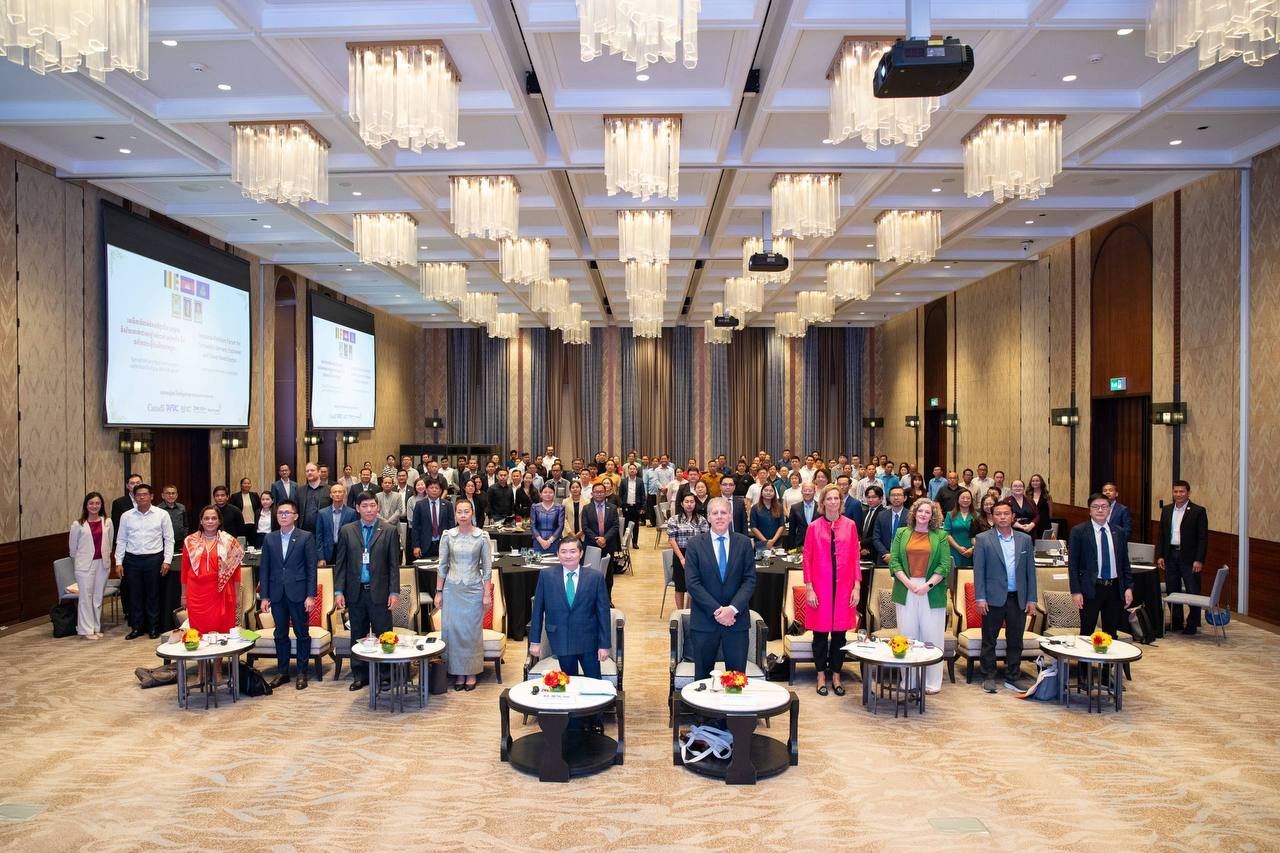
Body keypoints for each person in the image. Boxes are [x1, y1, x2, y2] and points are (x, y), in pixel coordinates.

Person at [683, 498, 758, 680]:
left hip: (736, 621)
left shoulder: (744, 543)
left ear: (730, 516)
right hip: (705, 622)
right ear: (708, 517)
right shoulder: (695, 544)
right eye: (714, 513)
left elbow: (749, 581)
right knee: (703, 680)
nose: (719, 517)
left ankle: (733, 701)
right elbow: (692, 583)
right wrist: (718, 611)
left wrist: (732, 609)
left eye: (723, 512)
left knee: (735, 679)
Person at [334, 492, 401, 691]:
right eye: (365, 506)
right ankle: (360, 675)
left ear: (377, 507)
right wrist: (338, 591)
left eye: (372, 505)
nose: (369, 510)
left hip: (380, 592)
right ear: (357, 508)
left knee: (384, 635)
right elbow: (341, 564)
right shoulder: (347, 531)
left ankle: (386, 675)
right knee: (358, 634)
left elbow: (394, 565)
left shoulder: (389, 530)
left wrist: (394, 592)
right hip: (356, 593)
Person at [973, 500, 1037, 693]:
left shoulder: (1024, 539)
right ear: (992, 517)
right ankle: (989, 676)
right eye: (998, 514)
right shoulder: (983, 539)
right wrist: (980, 598)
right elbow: (979, 571)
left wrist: (1031, 598)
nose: (1002, 517)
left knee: (1016, 639)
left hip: (1018, 597)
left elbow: (1030, 572)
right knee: (989, 639)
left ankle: (1013, 676)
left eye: (1006, 513)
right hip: (992, 597)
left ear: (1013, 517)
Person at [803, 485, 862, 696]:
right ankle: (820, 675)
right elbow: (807, 559)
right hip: (820, 587)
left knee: (839, 636)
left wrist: (857, 586)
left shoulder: (850, 525)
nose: (833, 502)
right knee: (819, 635)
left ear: (841, 502)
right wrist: (809, 588)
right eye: (829, 498)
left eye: (837, 498)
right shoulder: (813, 527)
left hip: (844, 587)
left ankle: (836, 675)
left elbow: (855, 557)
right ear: (823, 502)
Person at [528, 538, 611, 684]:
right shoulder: (546, 576)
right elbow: (538, 611)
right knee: (568, 684)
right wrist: (535, 641)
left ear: (581, 553)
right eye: (563, 552)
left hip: (588, 641)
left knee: (594, 684)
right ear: (557, 554)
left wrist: (604, 645)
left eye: (573, 551)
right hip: (561, 639)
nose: (568, 556)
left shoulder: (595, 577)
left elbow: (603, 613)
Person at [889, 498, 951, 694]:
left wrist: (927, 585)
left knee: (931, 637)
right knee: (907, 635)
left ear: (932, 516)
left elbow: (944, 565)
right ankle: (908, 681)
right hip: (905, 588)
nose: (923, 514)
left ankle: (932, 682)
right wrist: (908, 583)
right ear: (914, 513)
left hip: (932, 589)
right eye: (920, 511)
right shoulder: (901, 533)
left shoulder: (941, 536)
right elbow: (894, 561)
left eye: (928, 512)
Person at [434, 499, 492, 690]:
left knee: (471, 632)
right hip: (451, 590)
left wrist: (486, 594)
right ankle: (458, 672)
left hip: (474, 590)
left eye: (466, 511)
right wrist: (439, 592)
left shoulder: (482, 536)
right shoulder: (447, 536)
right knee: (453, 631)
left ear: (472, 513)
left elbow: (487, 569)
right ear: (455, 514)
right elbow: (442, 566)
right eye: (459, 512)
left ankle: (471, 672)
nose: (463, 515)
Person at [1069, 493, 1134, 642]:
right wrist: (1076, 591)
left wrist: (1128, 587)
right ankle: (1085, 659)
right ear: (1089, 510)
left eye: (1104, 507)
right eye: (1096, 507)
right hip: (1090, 589)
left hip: (1114, 588)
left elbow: (1125, 563)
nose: (1100, 510)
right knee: (1087, 633)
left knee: (1111, 634)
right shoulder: (1079, 531)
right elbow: (1073, 565)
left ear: (1109, 509)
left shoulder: (1119, 532)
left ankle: (1107, 658)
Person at [113, 484, 174, 640]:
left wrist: (167, 560)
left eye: (145, 494)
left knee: (153, 594)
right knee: (135, 594)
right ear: (134, 497)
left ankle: (153, 627)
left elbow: (169, 539)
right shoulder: (126, 516)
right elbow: (121, 540)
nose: (141, 497)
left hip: (154, 559)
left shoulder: (162, 514)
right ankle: (137, 627)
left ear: (151, 496)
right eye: (138, 495)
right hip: (132, 560)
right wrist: (118, 562)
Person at [182, 505, 246, 650]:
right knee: (198, 631)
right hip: (196, 594)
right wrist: (183, 595)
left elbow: (236, 572)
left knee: (221, 629)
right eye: (206, 518)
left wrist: (236, 595)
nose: (210, 521)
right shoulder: (190, 541)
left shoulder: (229, 541)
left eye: (213, 518)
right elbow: (185, 570)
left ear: (219, 521)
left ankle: (218, 662)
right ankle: (201, 662)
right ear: (201, 521)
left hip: (221, 593)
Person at [1156, 480, 1209, 635]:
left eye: (1182, 491)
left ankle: (1192, 623)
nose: (1178, 494)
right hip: (1170, 555)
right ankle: (1176, 622)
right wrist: (1160, 555)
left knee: (1193, 590)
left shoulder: (1198, 511)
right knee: (1172, 590)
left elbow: (1203, 538)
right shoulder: (1167, 510)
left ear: (1188, 493)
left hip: (1189, 558)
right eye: (1175, 491)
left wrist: (1199, 559)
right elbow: (1162, 534)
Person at [69, 492, 113, 639]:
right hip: (84, 566)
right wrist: (81, 561)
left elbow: (109, 543)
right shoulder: (78, 525)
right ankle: (86, 630)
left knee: (97, 597)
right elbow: (73, 549)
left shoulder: (107, 522)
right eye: (91, 503)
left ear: (101, 505)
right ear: (86, 505)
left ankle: (95, 627)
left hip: (102, 564)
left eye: (97, 503)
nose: (94, 506)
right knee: (85, 598)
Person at [667, 492, 710, 610]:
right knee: (680, 587)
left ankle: (690, 611)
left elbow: (705, 539)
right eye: (686, 502)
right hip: (680, 554)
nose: (689, 504)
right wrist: (682, 558)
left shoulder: (701, 520)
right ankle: (680, 613)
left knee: (694, 586)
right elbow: (672, 540)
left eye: (692, 502)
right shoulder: (674, 519)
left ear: (695, 503)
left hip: (697, 555)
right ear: (682, 504)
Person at [581, 482, 621, 597]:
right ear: (592, 494)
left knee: (608, 574)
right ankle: (590, 599)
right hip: (591, 545)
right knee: (590, 574)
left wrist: (605, 539)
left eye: (601, 492)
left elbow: (615, 526)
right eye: (596, 492)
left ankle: (607, 599)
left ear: (606, 493)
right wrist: (597, 539)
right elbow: (585, 527)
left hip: (608, 545)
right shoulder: (586, 508)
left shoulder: (612, 508)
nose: (599, 494)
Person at [316, 483, 357, 567]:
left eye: (340, 492)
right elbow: (319, 536)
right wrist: (321, 557)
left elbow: (354, 537)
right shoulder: (322, 513)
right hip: (327, 552)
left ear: (344, 494)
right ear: (331, 495)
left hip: (345, 551)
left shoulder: (352, 513)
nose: (337, 494)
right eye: (334, 492)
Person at [411, 480, 454, 560]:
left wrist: (452, 544)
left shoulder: (447, 505)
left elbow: (451, 526)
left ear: (440, 491)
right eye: (431, 488)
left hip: (443, 543)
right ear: (426, 490)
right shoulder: (420, 505)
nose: (434, 490)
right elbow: (415, 527)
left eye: (437, 488)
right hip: (425, 544)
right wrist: (416, 546)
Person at [872, 486, 909, 565]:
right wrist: (886, 554)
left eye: (899, 495)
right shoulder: (881, 515)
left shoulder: (911, 516)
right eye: (893, 495)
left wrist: (896, 556)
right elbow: (876, 538)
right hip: (884, 558)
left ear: (905, 498)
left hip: (904, 559)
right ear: (889, 498)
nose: (896, 497)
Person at [945, 488, 977, 572]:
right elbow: (947, 534)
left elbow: (979, 535)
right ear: (958, 499)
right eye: (963, 498)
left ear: (971, 500)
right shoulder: (950, 514)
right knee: (954, 575)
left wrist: (973, 549)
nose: (965, 500)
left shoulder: (976, 515)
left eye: (968, 498)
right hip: (954, 550)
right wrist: (958, 548)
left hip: (972, 551)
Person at [749, 483, 786, 553]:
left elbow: (781, 525)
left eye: (771, 491)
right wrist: (766, 542)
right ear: (761, 492)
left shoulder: (779, 507)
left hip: (777, 543)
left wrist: (773, 540)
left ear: (774, 493)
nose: (768, 493)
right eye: (766, 490)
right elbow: (753, 527)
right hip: (761, 544)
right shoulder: (755, 508)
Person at [530, 484, 565, 555]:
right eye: (545, 492)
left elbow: (560, 526)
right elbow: (532, 525)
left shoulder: (560, 508)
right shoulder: (535, 507)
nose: (548, 494)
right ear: (541, 494)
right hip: (538, 541)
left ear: (554, 494)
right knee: (538, 561)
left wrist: (549, 541)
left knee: (554, 561)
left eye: (550, 492)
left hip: (554, 541)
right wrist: (541, 541)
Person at [618, 463, 646, 547]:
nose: (632, 470)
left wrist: (643, 507)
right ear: (628, 470)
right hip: (626, 507)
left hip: (636, 507)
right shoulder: (623, 481)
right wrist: (622, 505)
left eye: (634, 469)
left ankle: (635, 542)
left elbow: (643, 495)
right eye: (630, 469)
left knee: (635, 525)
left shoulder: (640, 481)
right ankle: (625, 542)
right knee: (625, 525)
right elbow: (620, 495)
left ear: (636, 471)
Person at [787, 482, 819, 549]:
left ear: (814, 492)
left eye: (810, 490)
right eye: (805, 490)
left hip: (818, 544)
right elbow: (792, 530)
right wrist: (792, 548)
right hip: (800, 544)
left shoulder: (821, 507)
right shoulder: (795, 508)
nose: (807, 493)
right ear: (801, 492)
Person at [1027, 474, 1052, 540]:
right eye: (1033, 481)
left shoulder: (1047, 495)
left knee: (1043, 543)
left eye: (1037, 481)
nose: (1035, 482)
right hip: (1032, 523)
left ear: (1041, 482)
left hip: (1044, 523)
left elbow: (1050, 512)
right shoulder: (1028, 495)